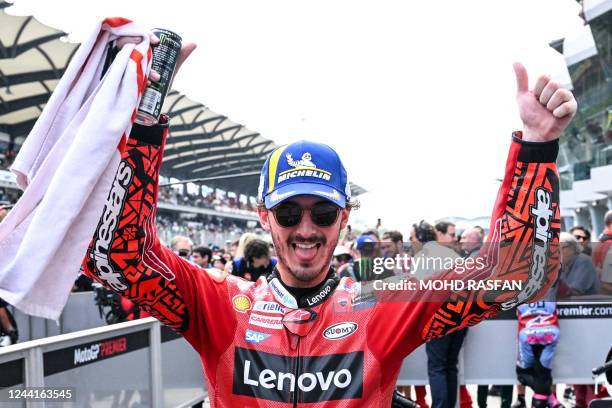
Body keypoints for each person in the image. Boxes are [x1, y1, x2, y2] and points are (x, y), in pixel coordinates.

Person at [77, 32, 576, 406]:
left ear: (345, 218)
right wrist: (142, 125)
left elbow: (516, 271)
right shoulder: (219, 303)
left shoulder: (381, 303)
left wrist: (535, 147)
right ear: (264, 217)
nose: (306, 228)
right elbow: (117, 258)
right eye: (289, 212)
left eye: (323, 212)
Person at [514, 301, 561, 408]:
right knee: (543, 371)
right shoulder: (550, 289)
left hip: (528, 333)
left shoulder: (520, 291)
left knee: (523, 374)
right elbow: (568, 293)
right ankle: (550, 399)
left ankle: (544, 399)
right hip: (550, 332)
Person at [558, 232, 600, 298]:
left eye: (561, 248)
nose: (558, 252)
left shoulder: (584, 261)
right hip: (572, 305)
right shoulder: (563, 265)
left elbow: (576, 291)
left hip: (587, 306)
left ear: (572, 247)